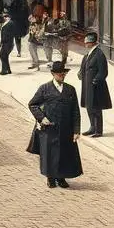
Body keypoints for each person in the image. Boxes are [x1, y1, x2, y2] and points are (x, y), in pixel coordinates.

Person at [27, 61, 83, 189]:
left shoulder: (70, 90)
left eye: (63, 74)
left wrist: (76, 130)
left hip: (65, 129)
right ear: (53, 74)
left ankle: (61, 178)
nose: (62, 76)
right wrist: (42, 118)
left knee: (63, 154)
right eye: (59, 74)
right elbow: (33, 104)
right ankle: (50, 177)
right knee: (50, 154)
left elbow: (75, 111)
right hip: (49, 128)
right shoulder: (44, 89)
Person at [78, 32, 111, 137]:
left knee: (96, 108)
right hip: (87, 86)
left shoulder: (99, 54)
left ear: (92, 43)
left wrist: (95, 80)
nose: (85, 44)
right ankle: (92, 127)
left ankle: (98, 130)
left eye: (87, 42)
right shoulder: (88, 54)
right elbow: (84, 66)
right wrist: (80, 73)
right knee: (89, 107)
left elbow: (103, 72)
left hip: (96, 87)